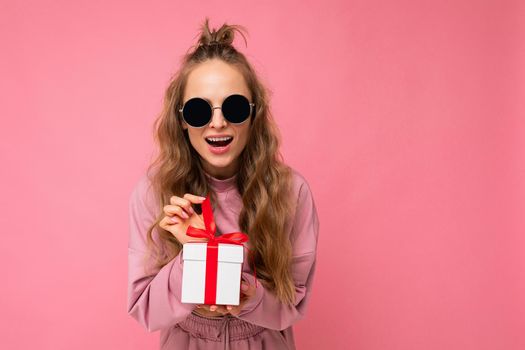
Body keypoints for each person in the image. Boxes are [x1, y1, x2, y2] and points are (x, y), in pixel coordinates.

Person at [127, 17, 320, 350]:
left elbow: (294, 304)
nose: (218, 122)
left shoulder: (292, 193)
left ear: (253, 113)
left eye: (233, 107)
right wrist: (196, 252)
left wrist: (248, 296)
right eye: (200, 110)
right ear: (183, 120)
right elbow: (145, 309)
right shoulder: (154, 194)